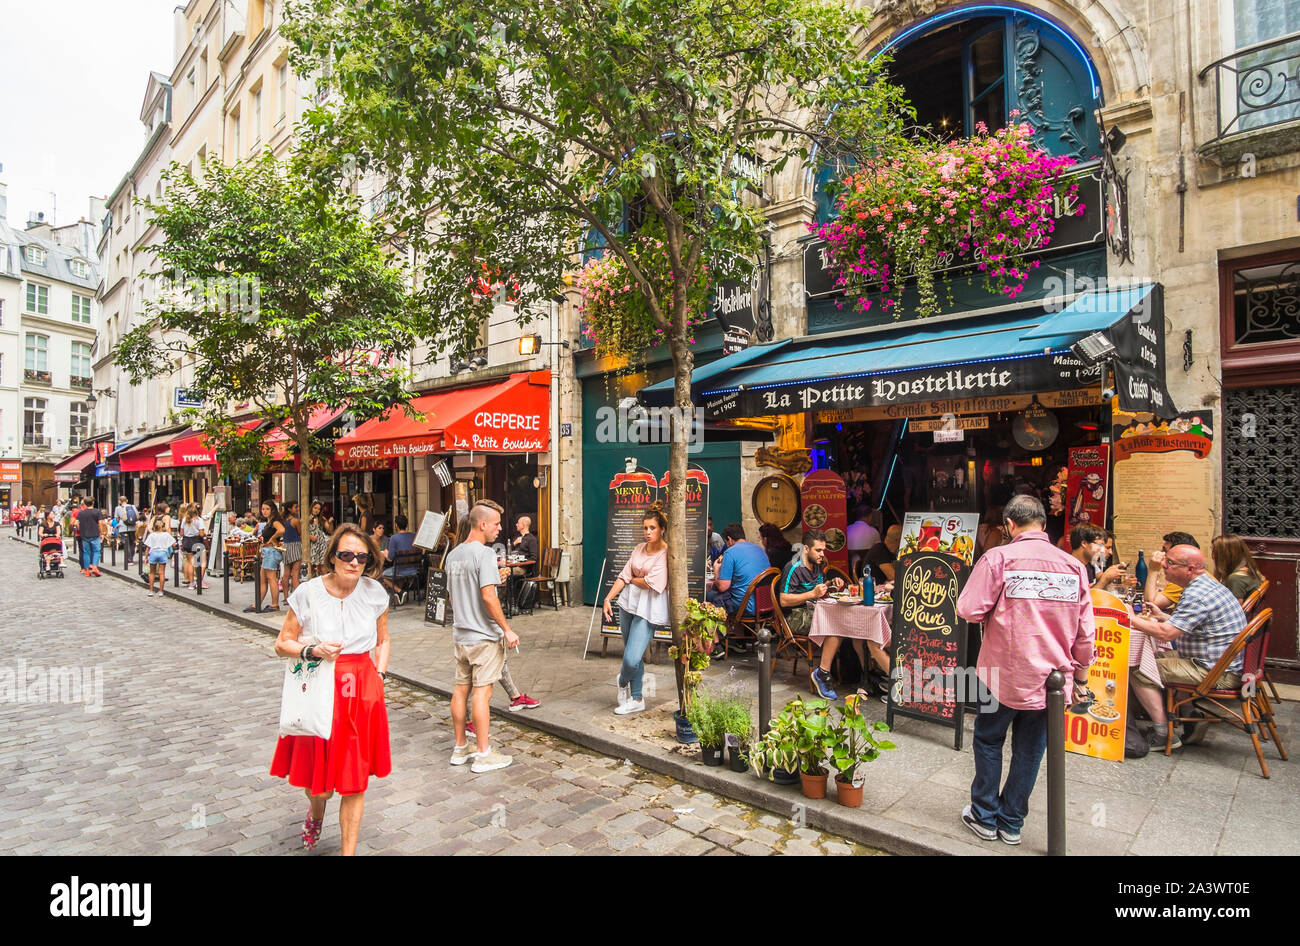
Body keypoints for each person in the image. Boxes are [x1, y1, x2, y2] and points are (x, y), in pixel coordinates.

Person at [956, 494, 1095, 846]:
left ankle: (984, 816)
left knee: (988, 740)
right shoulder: (1073, 567)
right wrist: (1080, 678)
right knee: (1031, 750)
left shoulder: (998, 558)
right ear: (1043, 525)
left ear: (1009, 526)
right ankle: (1012, 822)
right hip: (1052, 678)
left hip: (1000, 675)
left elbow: (968, 609)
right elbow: (1085, 633)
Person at [271, 524, 391, 855]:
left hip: (362, 688)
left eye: (361, 557)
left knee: (354, 780)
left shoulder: (375, 594)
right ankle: (316, 811)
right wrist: (312, 651)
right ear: (333, 557)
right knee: (319, 785)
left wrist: (379, 675)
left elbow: (383, 640)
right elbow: (282, 644)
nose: (354, 562)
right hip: (320, 685)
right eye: (346, 555)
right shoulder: (308, 592)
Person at [1130, 545, 1247, 746]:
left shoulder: (1197, 595)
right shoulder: (1203, 586)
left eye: (1170, 563)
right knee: (1148, 657)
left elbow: (1167, 634)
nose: (1164, 565)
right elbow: (1196, 625)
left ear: (1190, 569)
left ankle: (1162, 733)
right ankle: (1190, 715)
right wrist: (1164, 616)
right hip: (1218, 663)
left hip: (1216, 671)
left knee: (1140, 669)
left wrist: (1128, 617)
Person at [445, 501, 519, 771]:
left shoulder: (453, 556)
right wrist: (507, 629)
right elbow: (488, 596)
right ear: (482, 524)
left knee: (460, 690)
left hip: (461, 635)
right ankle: (484, 753)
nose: (500, 528)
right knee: (482, 694)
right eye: (497, 523)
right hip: (483, 637)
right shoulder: (484, 554)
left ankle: (460, 747)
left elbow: (454, 597)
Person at [602, 504, 669, 716]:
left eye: (652, 528)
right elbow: (624, 576)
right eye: (645, 528)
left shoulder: (666, 554)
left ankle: (622, 682)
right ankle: (637, 698)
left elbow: (652, 583)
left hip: (648, 609)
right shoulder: (639, 548)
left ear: (662, 529)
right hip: (627, 604)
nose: (648, 532)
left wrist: (633, 579)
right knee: (635, 655)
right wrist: (608, 598)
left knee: (631, 658)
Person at [777, 530, 845, 698]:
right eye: (818, 550)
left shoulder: (817, 564)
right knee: (835, 625)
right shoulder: (793, 567)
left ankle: (848, 672)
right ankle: (822, 673)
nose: (822, 554)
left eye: (824, 550)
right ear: (806, 549)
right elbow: (784, 600)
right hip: (793, 616)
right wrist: (812, 594)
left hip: (814, 610)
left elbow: (817, 588)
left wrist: (831, 584)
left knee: (845, 619)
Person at [708, 523, 770, 619]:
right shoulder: (760, 549)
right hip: (766, 603)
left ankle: (718, 633)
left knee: (709, 595)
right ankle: (738, 630)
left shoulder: (730, 552)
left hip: (746, 607)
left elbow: (723, 587)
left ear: (729, 539)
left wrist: (716, 569)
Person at [245, 501, 286, 613]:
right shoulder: (268, 522)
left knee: (271, 578)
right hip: (267, 551)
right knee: (262, 579)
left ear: (272, 509)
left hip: (271, 552)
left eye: (267, 509)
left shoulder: (275, 521)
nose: (264, 511)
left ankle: (274, 604)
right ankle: (257, 603)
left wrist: (273, 538)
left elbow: (282, 530)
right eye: (263, 509)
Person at [1145, 531, 1200, 611]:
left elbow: (1150, 603)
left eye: (1165, 550)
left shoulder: (1185, 577)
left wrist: (1153, 570)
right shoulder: (1196, 571)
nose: (1161, 554)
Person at [1069, 524, 1126, 590]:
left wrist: (1109, 576)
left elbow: (1088, 591)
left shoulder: (1086, 566)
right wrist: (1105, 578)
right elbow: (1083, 598)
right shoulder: (1068, 568)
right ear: (1084, 543)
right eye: (1100, 545)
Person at [1211, 534, 1263, 603]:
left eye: (1215, 552)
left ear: (1224, 556)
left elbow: (1236, 611)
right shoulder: (1248, 569)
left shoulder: (1235, 579)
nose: (1213, 556)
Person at [380, 513, 419, 592]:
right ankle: (400, 594)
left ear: (396, 525)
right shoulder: (414, 536)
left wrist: (385, 553)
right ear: (406, 525)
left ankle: (400, 591)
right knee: (397, 573)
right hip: (414, 570)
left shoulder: (394, 538)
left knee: (383, 576)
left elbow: (390, 559)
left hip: (400, 570)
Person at [143, 516, 176, 597]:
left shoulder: (152, 535)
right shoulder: (166, 535)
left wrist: (146, 557)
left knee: (152, 573)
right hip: (162, 553)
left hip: (153, 553)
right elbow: (174, 544)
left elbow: (148, 548)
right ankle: (161, 591)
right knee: (162, 573)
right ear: (163, 527)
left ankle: (151, 590)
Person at [846, 505, 883, 576]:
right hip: (868, 573)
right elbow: (879, 552)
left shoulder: (847, 529)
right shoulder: (873, 531)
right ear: (869, 517)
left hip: (848, 572)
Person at [179, 504, 208, 589]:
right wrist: (204, 534)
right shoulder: (199, 520)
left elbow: (181, 533)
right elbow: (202, 534)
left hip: (187, 542)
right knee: (202, 562)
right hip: (197, 541)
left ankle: (191, 583)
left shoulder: (184, 519)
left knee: (190, 563)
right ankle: (199, 581)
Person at [74, 498, 104, 577]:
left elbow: (76, 523)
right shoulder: (97, 511)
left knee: (86, 552)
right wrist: (101, 533)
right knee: (96, 551)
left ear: (84, 503)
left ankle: (87, 570)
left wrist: (80, 530)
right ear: (93, 502)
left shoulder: (81, 513)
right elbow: (100, 523)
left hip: (84, 535)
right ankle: (94, 566)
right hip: (95, 534)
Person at [282, 500, 304, 597]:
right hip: (295, 545)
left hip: (285, 546)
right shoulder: (295, 521)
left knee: (286, 573)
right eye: (296, 507)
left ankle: (286, 597)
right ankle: (297, 597)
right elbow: (300, 533)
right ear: (290, 509)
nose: (298, 509)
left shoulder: (283, 520)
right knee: (295, 573)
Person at [307, 502, 332, 577]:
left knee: (322, 565)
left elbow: (329, 530)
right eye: (315, 508)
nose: (316, 510)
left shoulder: (321, 518)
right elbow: (301, 531)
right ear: (311, 508)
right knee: (311, 565)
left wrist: (330, 522)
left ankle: (324, 581)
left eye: (319, 509)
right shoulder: (307, 518)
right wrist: (310, 536)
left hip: (321, 543)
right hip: (311, 544)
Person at [114, 497, 139, 568]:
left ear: (119, 501)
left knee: (126, 543)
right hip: (132, 528)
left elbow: (117, 519)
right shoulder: (133, 506)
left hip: (123, 528)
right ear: (127, 500)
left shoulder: (117, 508)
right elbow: (137, 516)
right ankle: (131, 558)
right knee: (132, 542)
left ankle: (129, 559)